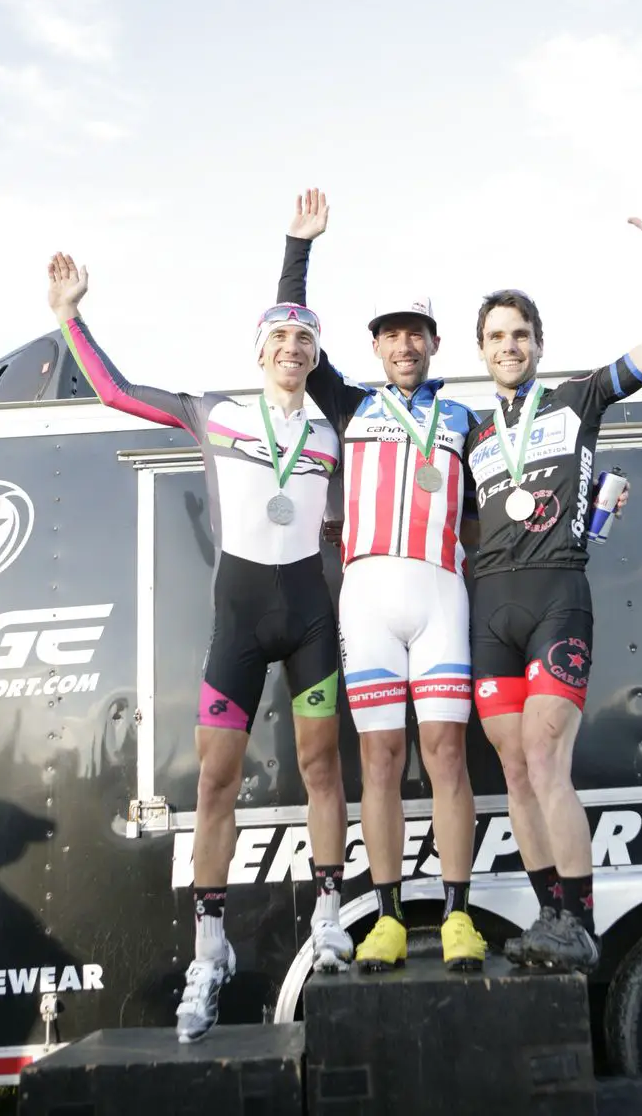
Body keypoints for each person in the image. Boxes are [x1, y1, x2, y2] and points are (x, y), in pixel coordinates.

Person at [46, 252, 353, 1043]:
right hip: (239, 619)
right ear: (259, 352)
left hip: (312, 614)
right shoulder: (214, 412)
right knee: (216, 783)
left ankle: (328, 915)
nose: (292, 347)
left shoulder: (332, 427)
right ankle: (207, 948)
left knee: (323, 768)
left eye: (304, 340)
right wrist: (70, 316)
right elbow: (116, 392)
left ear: (315, 358)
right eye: (280, 336)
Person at [466, 197, 642, 970]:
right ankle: (551, 917)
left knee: (545, 753)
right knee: (514, 769)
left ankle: (580, 925)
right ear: (483, 350)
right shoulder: (468, 432)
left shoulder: (577, 400)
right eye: (497, 336)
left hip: (559, 594)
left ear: (537, 344)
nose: (510, 346)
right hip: (489, 605)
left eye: (521, 334)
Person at [275, 190, 486, 972]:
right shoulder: (347, 402)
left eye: (416, 333)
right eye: (392, 334)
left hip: (441, 593)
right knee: (381, 760)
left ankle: (460, 914)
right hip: (365, 595)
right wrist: (299, 246)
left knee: (448, 755)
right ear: (377, 347)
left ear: (433, 344)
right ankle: (391, 917)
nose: (404, 344)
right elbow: (289, 325)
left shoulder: (466, 419)